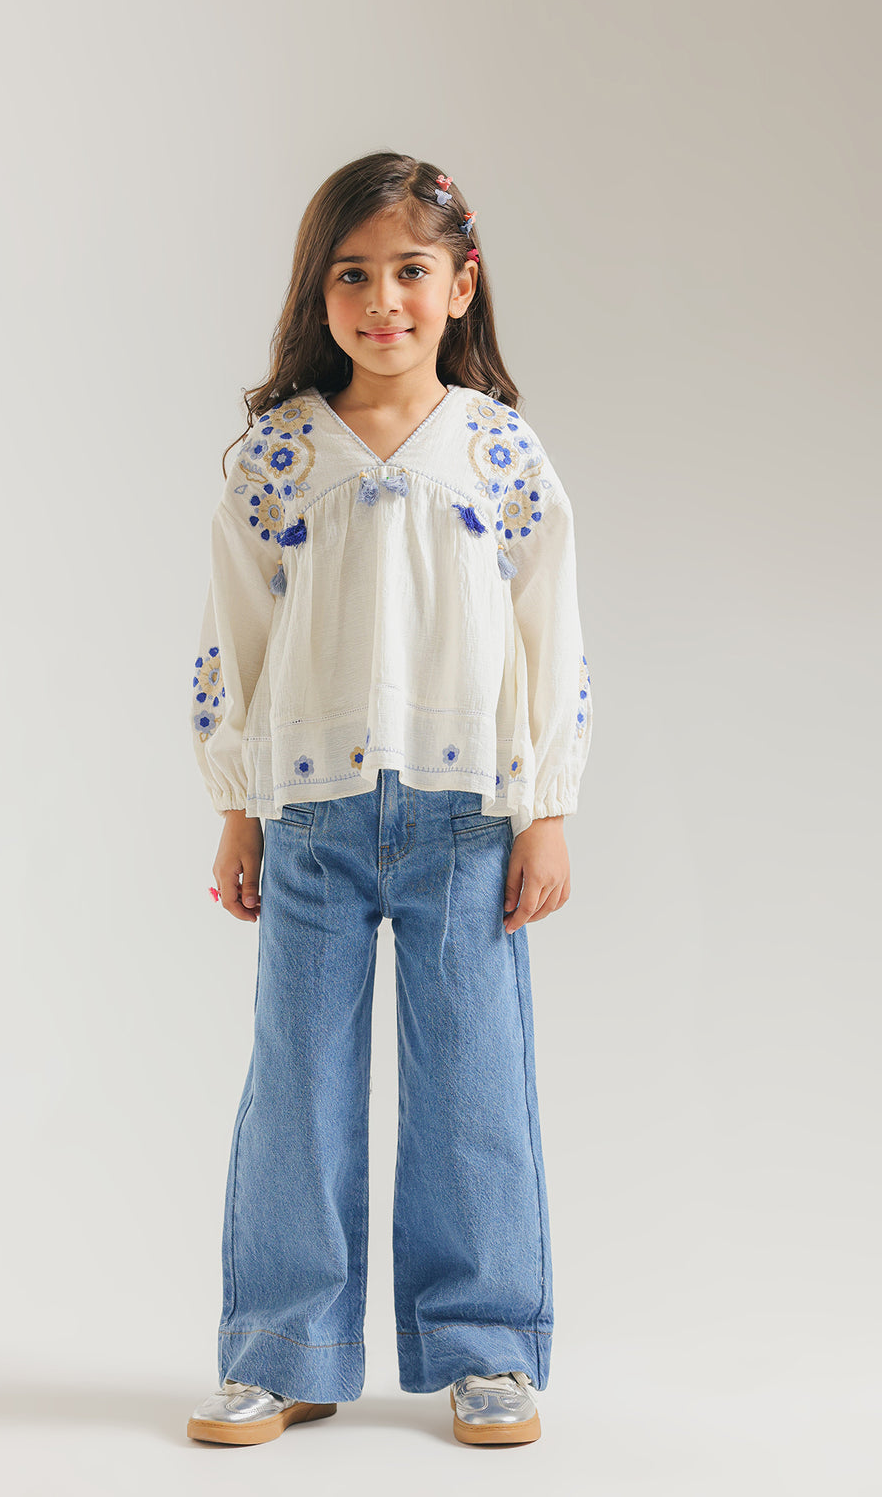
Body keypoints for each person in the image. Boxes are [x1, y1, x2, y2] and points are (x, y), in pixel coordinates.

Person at [185, 151, 593, 1448]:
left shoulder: (498, 450)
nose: (382, 301)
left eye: (410, 271)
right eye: (351, 276)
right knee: (296, 1089)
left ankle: (487, 1348)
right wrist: (237, 803)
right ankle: (284, 1349)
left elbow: (550, 631)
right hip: (309, 820)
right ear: (319, 295)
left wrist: (546, 807)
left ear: (461, 284)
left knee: (474, 1086)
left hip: (468, 817)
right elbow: (236, 636)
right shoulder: (280, 455)